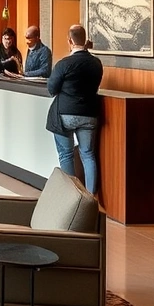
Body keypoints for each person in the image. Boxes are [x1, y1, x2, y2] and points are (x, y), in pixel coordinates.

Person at [46, 24, 104, 194]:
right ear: (84, 40)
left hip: (65, 114)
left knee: (66, 155)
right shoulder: (96, 63)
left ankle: (72, 196)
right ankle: (90, 198)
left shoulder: (64, 64)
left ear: (69, 40)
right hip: (89, 114)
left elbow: (51, 88)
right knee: (88, 155)